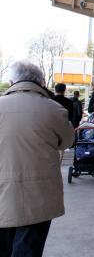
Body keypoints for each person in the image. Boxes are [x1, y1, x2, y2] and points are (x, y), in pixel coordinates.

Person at [0, 61, 74, 256]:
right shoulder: (54, 109)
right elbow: (67, 141)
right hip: (39, 196)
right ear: (41, 82)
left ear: (11, 81)